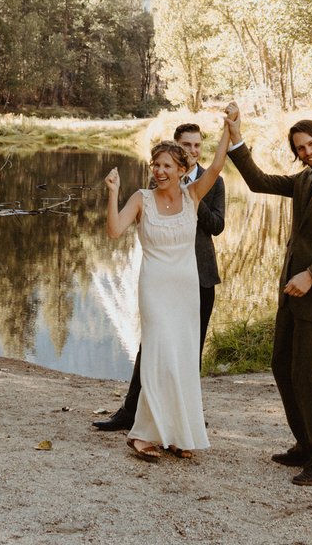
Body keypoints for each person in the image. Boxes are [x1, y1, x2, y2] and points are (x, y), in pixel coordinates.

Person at [223, 103, 312, 486]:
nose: (306, 153)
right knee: (282, 369)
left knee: (306, 376)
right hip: (290, 293)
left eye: (310, 145)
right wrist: (237, 139)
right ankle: (304, 445)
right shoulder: (305, 179)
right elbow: (257, 181)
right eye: (299, 149)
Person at [103, 120, 231, 462]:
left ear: (181, 170)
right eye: (156, 165)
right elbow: (114, 231)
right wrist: (113, 191)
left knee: (183, 360)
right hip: (155, 288)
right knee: (158, 357)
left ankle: (175, 434)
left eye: (166, 166)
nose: (160, 171)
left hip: (187, 289)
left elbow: (217, 165)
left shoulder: (194, 196)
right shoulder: (142, 198)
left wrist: (230, 130)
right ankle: (144, 435)